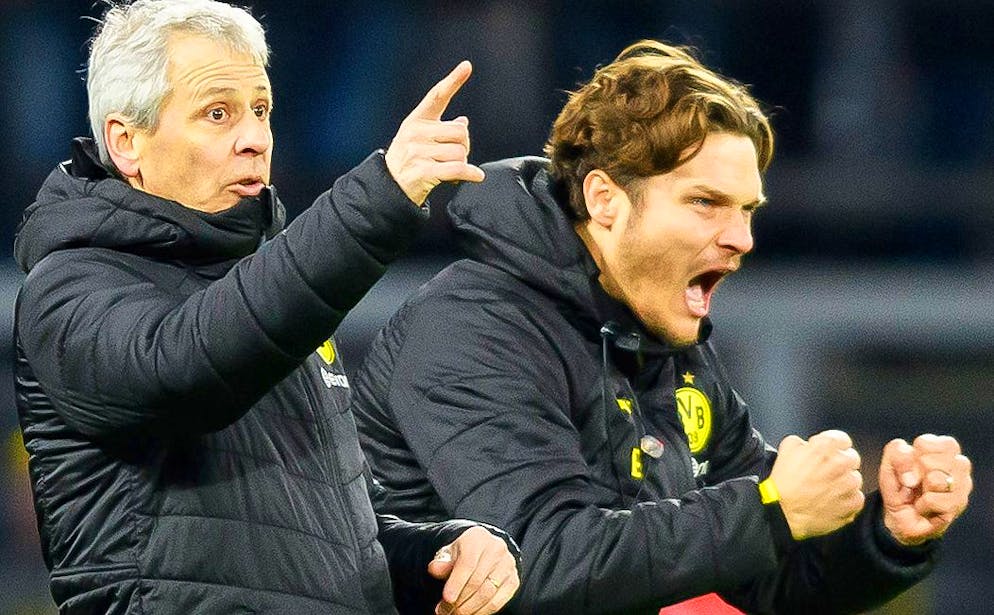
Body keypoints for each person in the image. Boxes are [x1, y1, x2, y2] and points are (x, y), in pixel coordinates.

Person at [349, 40, 973, 613]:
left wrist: (888, 535)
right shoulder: (470, 329)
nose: (741, 239)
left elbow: (767, 580)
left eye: (747, 210)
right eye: (705, 203)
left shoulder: (659, 336)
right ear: (604, 200)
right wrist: (771, 511)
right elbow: (535, 564)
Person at [13, 1, 520, 613]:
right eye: (217, 113)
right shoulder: (70, 286)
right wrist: (377, 201)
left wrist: (443, 556)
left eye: (261, 110)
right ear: (126, 142)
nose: (254, 139)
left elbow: (328, 543)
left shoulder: (273, 297)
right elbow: (181, 369)